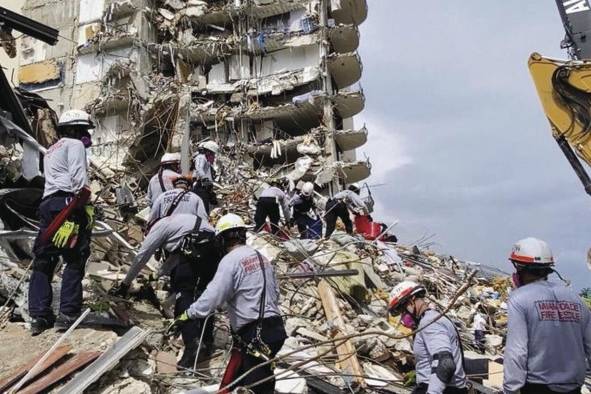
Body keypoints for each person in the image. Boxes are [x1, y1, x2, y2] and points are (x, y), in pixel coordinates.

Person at [169, 214, 286, 393]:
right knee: (235, 381)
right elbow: (273, 293)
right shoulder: (262, 259)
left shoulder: (229, 261)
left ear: (222, 239)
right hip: (275, 329)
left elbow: (212, 297)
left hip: (254, 334)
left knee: (258, 387)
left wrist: (187, 315)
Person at [109, 213, 220, 369]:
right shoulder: (181, 223)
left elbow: (142, 256)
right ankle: (207, 341)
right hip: (213, 250)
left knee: (184, 295)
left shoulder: (159, 228)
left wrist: (125, 284)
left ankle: (192, 345)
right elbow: (178, 255)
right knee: (205, 294)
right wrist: (154, 276)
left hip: (195, 253)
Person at [29, 109, 96, 335]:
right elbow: (79, 180)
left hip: (48, 205)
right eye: (85, 130)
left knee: (43, 259)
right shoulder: (74, 145)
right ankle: (67, 314)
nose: (88, 136)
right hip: (68, 203)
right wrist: (82, 208)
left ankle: (39, 316)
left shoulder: (50, 150)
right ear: (76, 129)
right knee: (75, 257)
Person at [503, 237, 591, 394]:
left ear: (520, 267)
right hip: (574, 387)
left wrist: (510, 390)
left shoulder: (519, 299)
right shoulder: (576, 299)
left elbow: (517, 352)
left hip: (537, 386)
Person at [388, 281, 467, 394]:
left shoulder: (429, 323)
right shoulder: (434, 318)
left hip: (443, 389)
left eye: (402, 310)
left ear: (411, 301)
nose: (402, 317)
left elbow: (445, 364)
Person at [192, 140, 219, 213]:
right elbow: (199, 169)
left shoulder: (207, 160)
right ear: (209, 151)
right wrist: (205, 179)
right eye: (212, 153)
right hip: (201, 186)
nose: (213, 155)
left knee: (208, 206)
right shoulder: (201, 157)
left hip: (206, 186)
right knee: (203, 208)